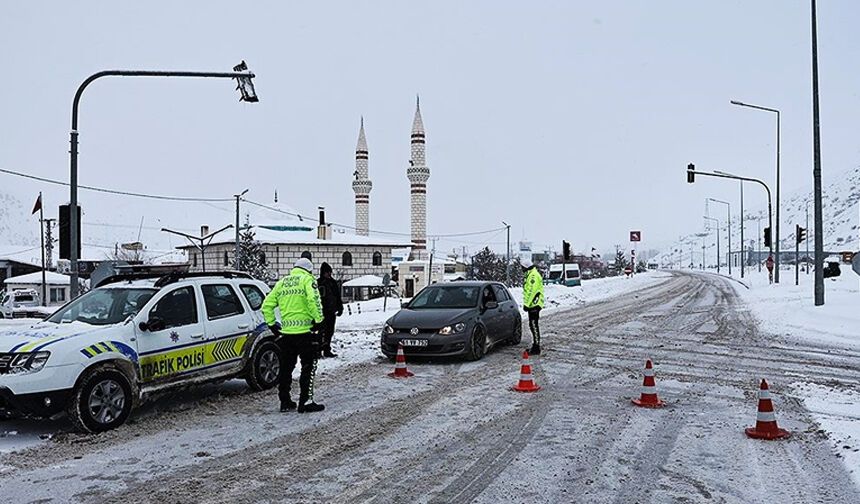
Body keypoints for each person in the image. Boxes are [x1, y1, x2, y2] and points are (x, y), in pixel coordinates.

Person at [261, 257, 326, 413]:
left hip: (286, 335)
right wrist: (319, 320)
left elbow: (266, 306)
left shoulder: (282, 283)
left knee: (286, 369)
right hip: (306, 334)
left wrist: (272, 325)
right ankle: (306, 402)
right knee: (308, 368)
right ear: (309, 270)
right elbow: (314, 300)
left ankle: (285, 401)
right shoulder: (307, 280)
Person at [317, 262, 344, 358]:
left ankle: (326, 350)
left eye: (330, 272)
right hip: (321, 312)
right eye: (327, 272)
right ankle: (318, 351)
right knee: (320, 332)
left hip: (331, 312)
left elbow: (337, 296)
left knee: (329, 332)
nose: (329, 274)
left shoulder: (333, 283)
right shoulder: (318, 283)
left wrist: (340, 307)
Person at [522, 259, 545, 355]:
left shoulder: (533, 276)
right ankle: (535, 345)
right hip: (533, 304)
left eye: (522, 267)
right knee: (532, 325)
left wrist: (527, 304)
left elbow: (532, 291)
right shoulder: (530, 274)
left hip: (534, 304)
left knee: (534, 325)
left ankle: (536, 347)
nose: (521, 269)